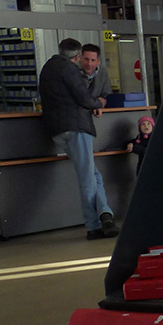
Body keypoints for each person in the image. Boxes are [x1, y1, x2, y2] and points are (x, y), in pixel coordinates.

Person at [39, 37, 119, 240]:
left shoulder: (47, 67)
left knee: (93, 176)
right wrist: (99, 103)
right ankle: (93, 226)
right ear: (77, 57)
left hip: (56, 130)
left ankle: (105, 214)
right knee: (87, 179)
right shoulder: (69, 69)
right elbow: (84, 98)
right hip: (76, 127)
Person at [80, 43, 111, 109]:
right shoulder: (73, 71)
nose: (89, 64)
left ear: (98, 61)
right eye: (86, 59)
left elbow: (106, 94)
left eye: (93, 60)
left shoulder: (102, 72)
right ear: (80, 58)